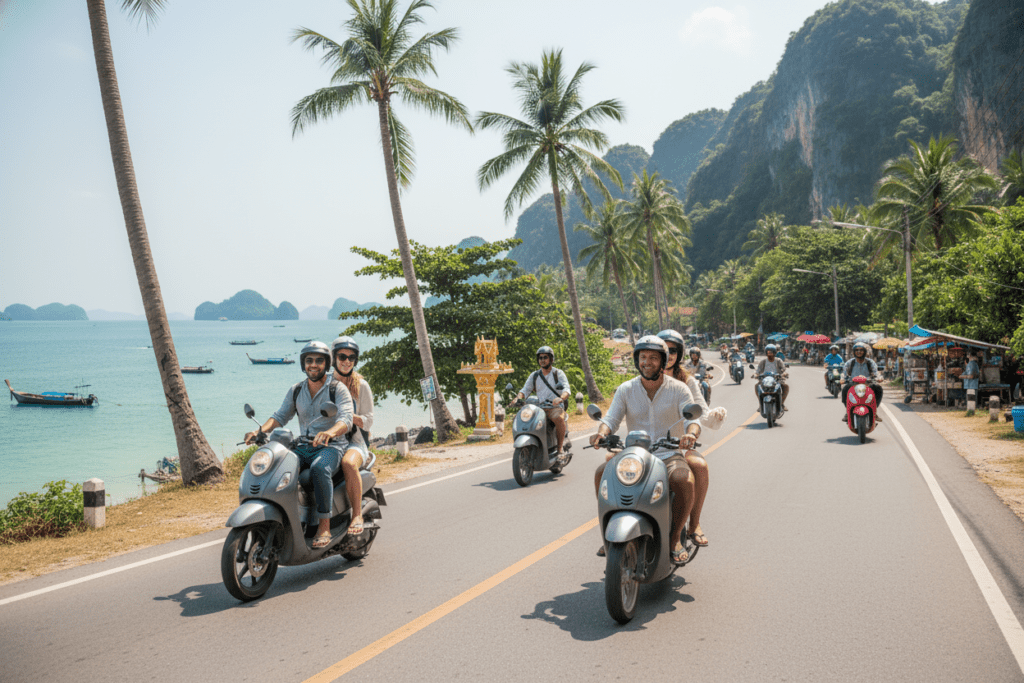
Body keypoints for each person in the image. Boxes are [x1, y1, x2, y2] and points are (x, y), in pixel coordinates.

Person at [590, 336, 701, 564]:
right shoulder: (626, 389)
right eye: (643, 357)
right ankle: (607, 536)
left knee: (683, 479)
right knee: (602, 473)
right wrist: (602, 433)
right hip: (635, 456)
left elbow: (693, 419)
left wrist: (690, 434)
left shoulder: (679, 389)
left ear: (663, 362)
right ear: (636, 360)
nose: (647, 362)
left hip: (668, 454)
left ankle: (674, 538)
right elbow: (611, 418)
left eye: (653, 357)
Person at [245, 341, 354, 548]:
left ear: (327, 364)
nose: (314, 365)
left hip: (332, 447)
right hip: (303, 447)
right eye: (309, 360)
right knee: (278, 471)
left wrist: (329, 432)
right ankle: (290, 519)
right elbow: (279, 416)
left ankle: (324, 526)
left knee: (319, 469)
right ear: (303, 364)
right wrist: (259, 431)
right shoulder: (296, 390)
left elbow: (346, 419)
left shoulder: (337, 389)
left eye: (319, 361)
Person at [659, 329, 728, 547]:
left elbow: (700, 412)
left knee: (699, 465)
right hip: (646, 446)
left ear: (679, 354)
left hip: (679, 445)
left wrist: (714, 416)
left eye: (673, 351)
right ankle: (613, 534)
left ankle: (694, 523)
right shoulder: (644, 378)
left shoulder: (687, 382)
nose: (668, 355)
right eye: (663, 350)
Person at [331, 336, 375, 536]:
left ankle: (356, 514)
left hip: (354, 444)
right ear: (334, 358)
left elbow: (369, 420)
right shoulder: (326, 384)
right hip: (330, 443)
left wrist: (348, 418)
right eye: (342, 356)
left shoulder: (361, 386)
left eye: (351, 357)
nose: (347, 361)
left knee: (348, 464)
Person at [516, 346, 570, 458]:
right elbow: (525, 390)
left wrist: (561, 398)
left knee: (558, 418)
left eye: (545, 357)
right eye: (540, 358)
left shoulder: (558, 373)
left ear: (551, 359)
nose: (542, 360)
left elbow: (566, 389)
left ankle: (560, 449)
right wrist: (518, 398)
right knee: (523, 419)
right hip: (540, 408)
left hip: (555, 406)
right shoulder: (534, 375)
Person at [841, 342, 883, 421]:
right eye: (856, 350)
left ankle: (874, 411)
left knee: (878, 388)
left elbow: (876, 373)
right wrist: (842, 378)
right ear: (854, 352)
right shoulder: (850, 363)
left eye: (861, 350)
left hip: (868, 384)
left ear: (865, 351)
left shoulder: (870, 363)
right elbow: (844, 373)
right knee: (844, 390)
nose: (859, 352)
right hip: (853, 385)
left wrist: (879, 377)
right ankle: (847, 411)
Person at [754, 343, 789, 410]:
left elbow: (783, 369)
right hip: (765, 380)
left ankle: (781, 403)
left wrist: (784, 373)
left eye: (771, 352)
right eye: (768, 352)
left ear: (774, 352)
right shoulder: (763, 362)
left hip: (777, 379)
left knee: (785, 386)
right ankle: (760, 404)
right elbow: (758, 370)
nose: (769, 354)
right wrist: (756, 374)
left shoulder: (778, 361)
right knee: (757, 386)